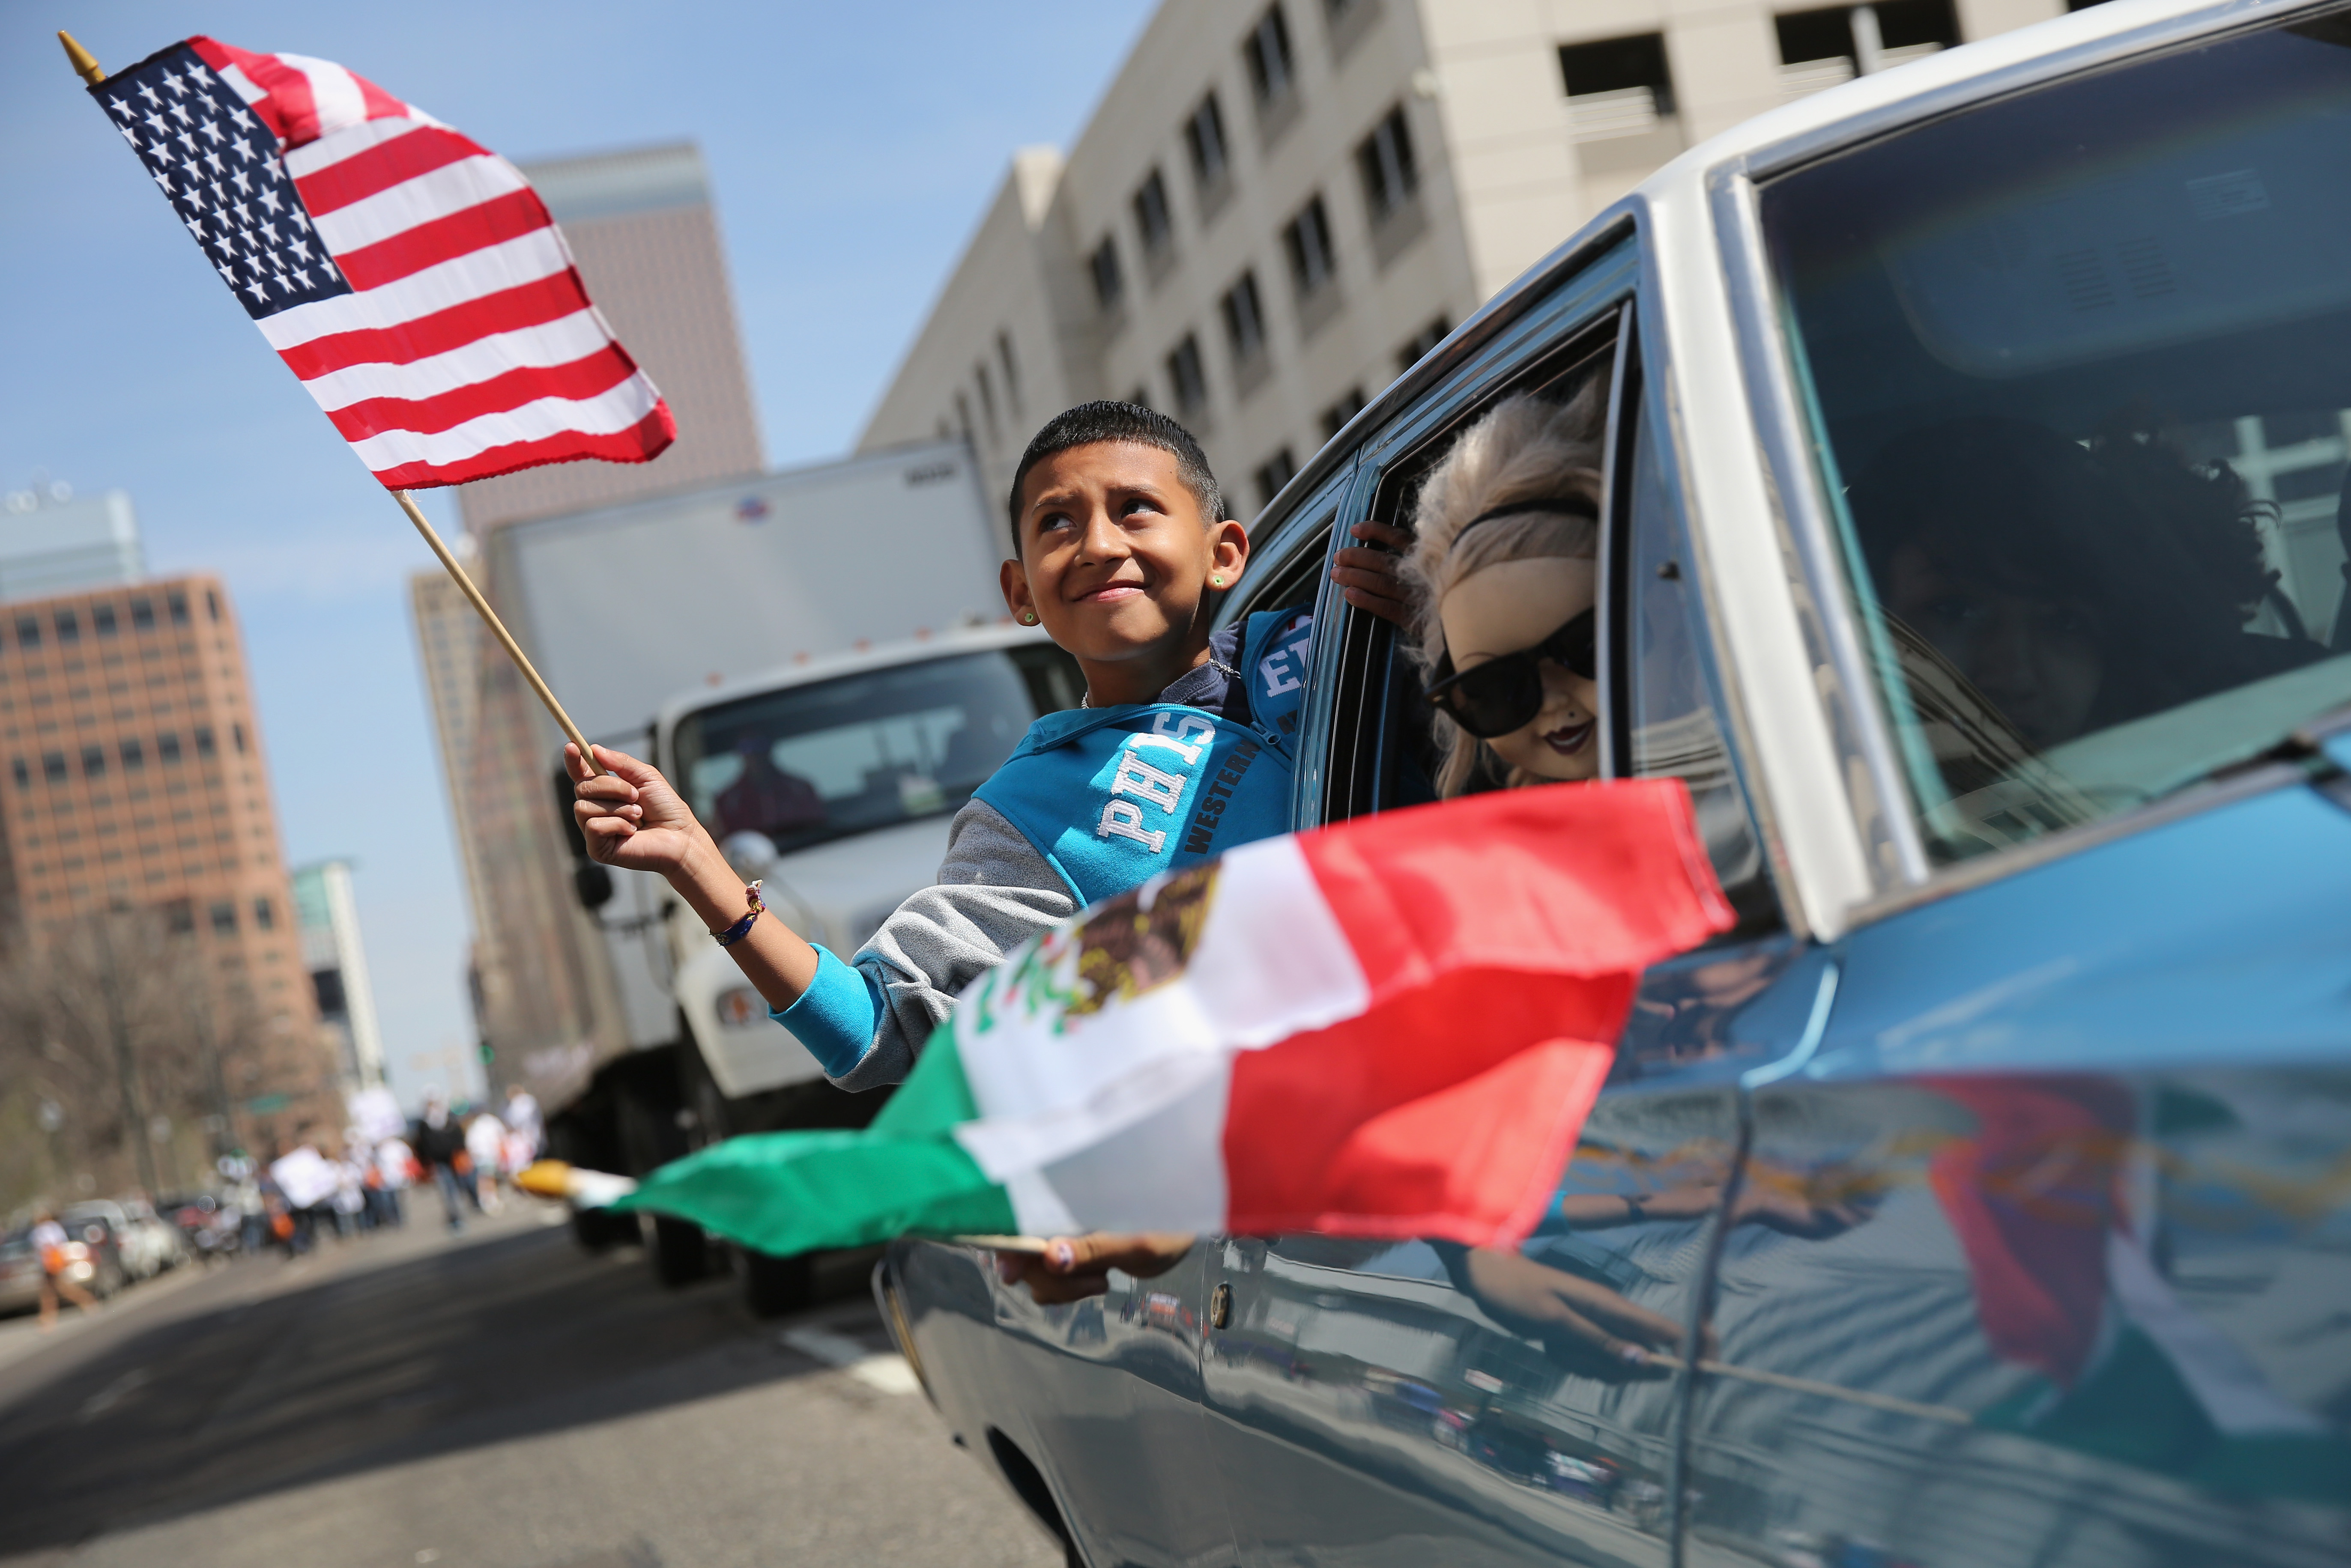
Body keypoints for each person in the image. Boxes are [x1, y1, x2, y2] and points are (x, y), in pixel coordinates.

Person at [571, 401, 1406, 1094]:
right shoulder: (1030, 813)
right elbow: (873, 1028)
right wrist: (699, 869)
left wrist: (1433, 619)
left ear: (1224, 552)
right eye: (1056, 523)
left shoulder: (1341, 628)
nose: (1100, 545)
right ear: (1019, 593)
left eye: (1135, 508)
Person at [412, 1090, 470, 1233]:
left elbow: (459, 1138)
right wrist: (426, 1162)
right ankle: (454, 1217)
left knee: (457, 1189)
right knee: (445, 1190)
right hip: (438, 1163)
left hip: (454, 1161)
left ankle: (459, 1214)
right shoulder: (424, 1125)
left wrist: (461, 1153)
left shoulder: (449, 1120)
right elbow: (421, 1145)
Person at [30, 1210, 99, 1331]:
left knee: (61, 1289)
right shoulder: (42, 1230)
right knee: (49, 1292)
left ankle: (87, 1301)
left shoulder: (49, 1228)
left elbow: (54, 1245)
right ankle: (48, 1318)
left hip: (53, 1264)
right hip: (47, 1264)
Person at [466, 1107, 508, 1214]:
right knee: (488, 1178)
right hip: (488, 1155)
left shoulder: (475, 1126)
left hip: (484, 1156)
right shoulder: (489, 1122)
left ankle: (488, 1199)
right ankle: (490, 1199)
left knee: (486, 1178)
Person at [501, 1084, 543, 1163]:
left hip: (524, 1142)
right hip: (537, 1139)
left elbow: (512, 1124)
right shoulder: (531, 1101)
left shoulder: (514, 1106)